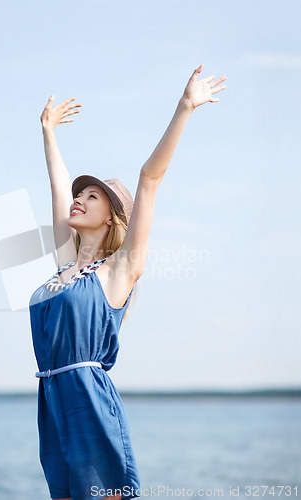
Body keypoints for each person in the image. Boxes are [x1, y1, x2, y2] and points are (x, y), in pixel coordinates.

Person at [29, 64, 227, 500]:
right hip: (52, 402)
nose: (79, 199)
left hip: (90, 406)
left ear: (114, 217)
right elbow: (58, 189)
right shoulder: (65, 265)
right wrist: (48, 132)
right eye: (80, 195)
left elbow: (149, 179)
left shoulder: (119, 270)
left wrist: (185, 108)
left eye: (92, 196)